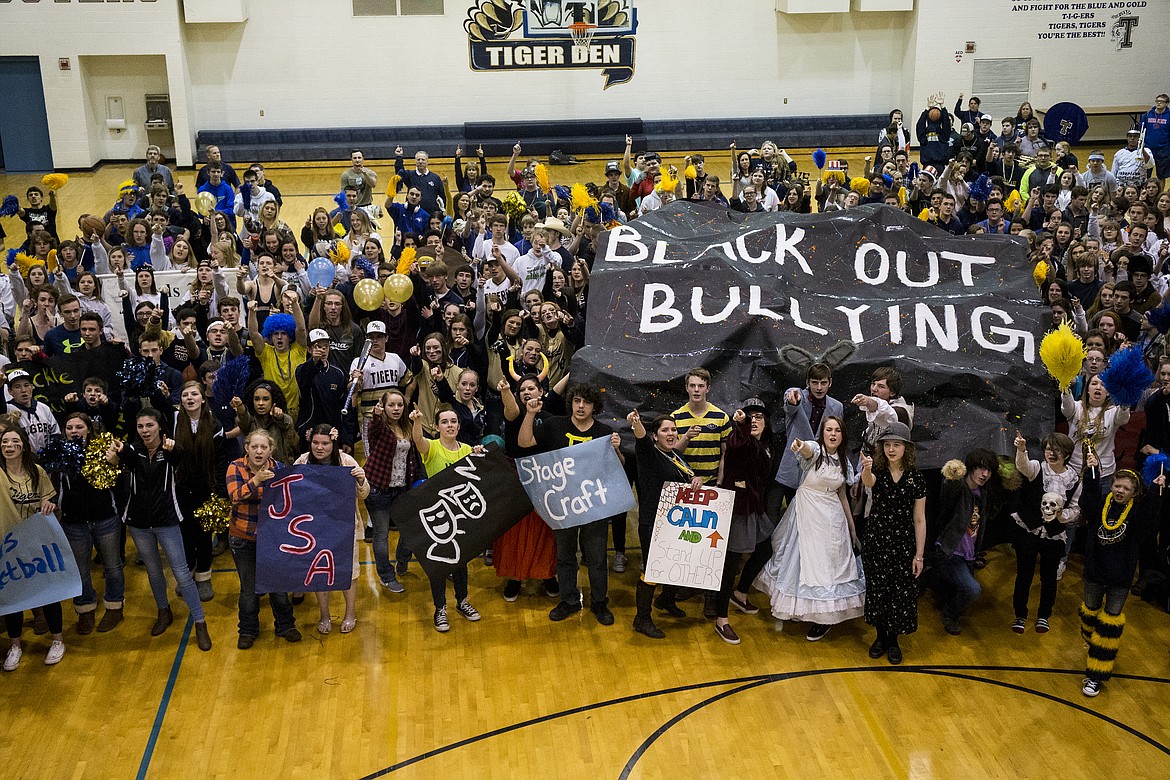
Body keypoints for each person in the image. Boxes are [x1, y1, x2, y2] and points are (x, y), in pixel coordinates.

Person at [106, 409, 212, 651]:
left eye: (149, 425)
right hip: (138, 523)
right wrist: (114, 455)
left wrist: (172, 449)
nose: (144, 430)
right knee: (154, 572)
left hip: (167, 521)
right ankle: (164, 612)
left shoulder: (171, 449)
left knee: (182, 574)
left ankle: (200, 622)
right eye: (141, 426)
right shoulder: (132, 451)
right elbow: (122, 456)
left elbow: (179, 458)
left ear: (160, 427)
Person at [519, 382, 622, 625]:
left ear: (594, 406)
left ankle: (599, 602)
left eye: (586, 402)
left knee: (597, 557)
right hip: (563, 504)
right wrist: (531, 414)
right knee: (565, 556)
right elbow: (524, 443)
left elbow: (618, 467)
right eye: (577, 401)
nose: (581, 406)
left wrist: (617, 450)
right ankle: (569, 600)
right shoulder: (555, 425)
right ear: (571, 403)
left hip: (594, 504)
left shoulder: (604, 431)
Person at [756, 415, 863, 639]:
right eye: (829, 430)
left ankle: (825, 618)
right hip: (806, 514)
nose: (833, 434)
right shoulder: (816, 451)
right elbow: (807, 450)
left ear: (842, 435)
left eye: (837, 430)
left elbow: (842, 495)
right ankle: (802, 608)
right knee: (800, 562)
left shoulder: (843, 461)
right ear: (822, 433)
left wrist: (851, 529)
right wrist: (800, 445)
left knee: (827, 567)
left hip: (831, 518)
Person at [1077, 467, 1163, 697]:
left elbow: (1148, 525)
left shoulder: (1136, 513)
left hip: (1120, 580)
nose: (1120, 491)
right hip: (1095, 573)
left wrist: (1156, 492)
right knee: (1090, 616)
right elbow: (1087, 501)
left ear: (1134, 493)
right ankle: (1091, 641)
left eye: (1126, 488)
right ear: (1112, 485)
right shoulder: (1100, 506)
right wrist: (1092, 472)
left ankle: (1095, 677)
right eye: (1117, 486)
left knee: (1109, 628)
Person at [627, 408, 700, 639]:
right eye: (665, 430)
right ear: (655, 436)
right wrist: (636, 423)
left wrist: (695, 479)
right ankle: (641, 619)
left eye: (673, 429)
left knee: (674, 562)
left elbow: (684, 477)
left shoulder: (675, 455)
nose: (670, 433)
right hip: (653, 523)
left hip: (674, 522)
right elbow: (641, 439)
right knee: (652, 570)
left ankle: (666, 599)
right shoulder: (649, 454)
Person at [713, 399, 783, 644]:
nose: (755, 420)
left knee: (766, 548)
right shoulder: (740, 441)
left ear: (766, 423)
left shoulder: (767, 446)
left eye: (759, 417)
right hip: (738, 509)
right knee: (730, 563)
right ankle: (721, 619)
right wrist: (740, 425)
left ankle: (740, 593)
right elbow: (736, 443)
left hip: (754, 508)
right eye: (750, 416)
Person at [410, 406, 483, 633]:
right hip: (438, 516)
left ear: (459, 426)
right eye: (444, 422)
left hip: (461, 516)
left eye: (453, 421)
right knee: (439, 565)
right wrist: (417, 421)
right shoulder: (432, 448)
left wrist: (480, 454)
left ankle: (462, 601)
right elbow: (418, 441)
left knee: (461, 562)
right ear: (437, 426)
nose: (450, 425)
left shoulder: (467, 450)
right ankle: (440, 608)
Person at [226, 428, 301, 648]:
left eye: (264, 447)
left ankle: (285, 625)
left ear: (271, 450)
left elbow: (288, 498)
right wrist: (256, 480)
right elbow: (235, 497)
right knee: (249, 590)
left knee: (278, 586)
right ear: (246, 448)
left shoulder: (278, 468)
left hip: (272, 538)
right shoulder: (235, 467)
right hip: (243, 537)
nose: (259, 451)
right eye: (254, 447)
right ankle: (248, 630)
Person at [859, 422, 926, 665]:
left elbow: (919, 519)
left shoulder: (916, 479)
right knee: (878, 591)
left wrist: (919, 555)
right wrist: (866, 468)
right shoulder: (877, 469)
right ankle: (880, 637)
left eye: (896, 444)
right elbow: (868, 482)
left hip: (903, 544)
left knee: (900, 593)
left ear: (906, 448)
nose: (891, 449)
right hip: (877, 541)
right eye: (887, 444)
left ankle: (894, 640)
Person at [0, 425, 65, 670]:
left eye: (15, 441)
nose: (9, 446)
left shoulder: (37, 472)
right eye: (5, 441)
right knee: (12, 597)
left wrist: (49, 505)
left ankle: (58, 640)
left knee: (47, 593)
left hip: (36, 543)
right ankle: (15, 645)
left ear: (24, 445)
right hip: (7, 545)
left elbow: (49, 503)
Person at [294, 425, 368, 636]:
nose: (319, 447)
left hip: (345, 528)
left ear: (333, 443)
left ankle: (350, 613)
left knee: (349, 572)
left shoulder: (347, 461)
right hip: (314, 529)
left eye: (325, 443)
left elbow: (363, 495)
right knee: (319, 572)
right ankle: (324, 615)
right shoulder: (302, 462)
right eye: (316, 443)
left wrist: (361, 479)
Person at [55, 413, 125, 634]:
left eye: (79, 426)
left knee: (112, 566)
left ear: (88, 429)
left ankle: (114, 607)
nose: (74, 431)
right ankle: (85, 611)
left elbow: (119, 481)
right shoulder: (59, 455)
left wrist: (114, 462)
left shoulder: (104, 449)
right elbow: (53, 487)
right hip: (73, 522)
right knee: (80, 570)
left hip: (105, 518)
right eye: (69, 427)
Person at [1011, 431, 1080, 634]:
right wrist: (1021, 449)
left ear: (1066, 454)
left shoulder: (1074, 479)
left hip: (1054, 535)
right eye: (1049, 449)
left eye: (1057, 450)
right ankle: (1020, 615)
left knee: (1049, 578)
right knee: (1024, 575)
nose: (1051, 453)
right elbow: (1022, 466)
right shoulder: (1037, 468)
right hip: (1028, 530)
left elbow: (1076, 509)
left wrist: (1061, 516)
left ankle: (1043, 616)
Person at [931, 448, 997, 635]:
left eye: (989, 470)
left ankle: (939, 587)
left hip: (968, 554)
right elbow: (949, 485)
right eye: (980, 468)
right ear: (970, 468)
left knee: (961, 589)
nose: (985, 474)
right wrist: (954, 472)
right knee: (972, 590)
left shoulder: (983, 493)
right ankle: (950, 614)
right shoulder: (958, 487)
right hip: (950, 552)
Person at [173, 382, 227, 603]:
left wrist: (219, 491)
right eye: (185, 395)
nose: (189, 398)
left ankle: (204, 576)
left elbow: (220, 461)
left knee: (204, 536)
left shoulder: (215, 425)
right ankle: (188, 574)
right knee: (185, 534)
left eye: (194, 394)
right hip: (182, 488)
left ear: (203, 399)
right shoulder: (174, 423)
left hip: (206, 488)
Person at [363, 388, 419, 592]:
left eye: (399, 405)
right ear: (383, 407)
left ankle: (402, 560)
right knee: (381, 534)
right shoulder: (378, 425)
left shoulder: (407, 426)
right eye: (391, 405)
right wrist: (377, 416)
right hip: (378, 487)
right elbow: (374, 429)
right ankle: (386, 576)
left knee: (410, 529)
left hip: (401, 488)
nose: (396, 409)